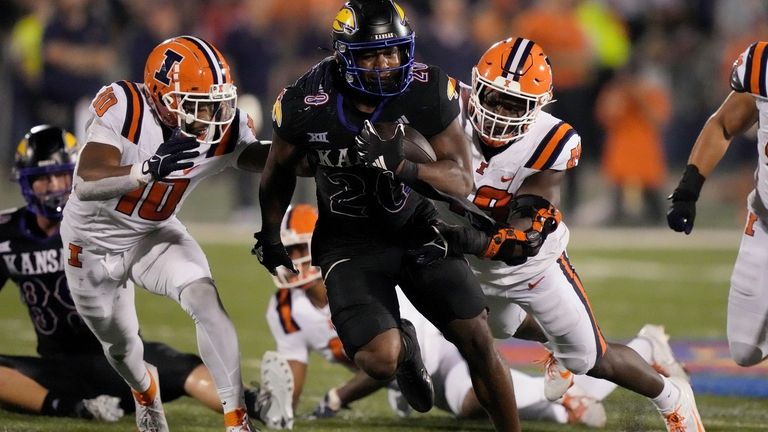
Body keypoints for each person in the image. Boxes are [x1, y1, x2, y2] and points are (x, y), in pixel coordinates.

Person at [254, 1, 520, 431]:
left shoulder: (427, 86)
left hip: (417, 229)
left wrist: (404, 166)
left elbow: (460, 179)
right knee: (379, 360)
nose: (385, 64)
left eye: (393, 52)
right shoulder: (306, 99)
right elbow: (277, 169)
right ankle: (405, 350)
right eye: (371, 54)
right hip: (349, 242)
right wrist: (269, 234)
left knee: (476, 338)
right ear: (344, 54)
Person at [419, 37, 705, 431]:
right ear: (475, 86)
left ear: (538, 106)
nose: (500, 112)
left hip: (531, 265)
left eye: (514, 104)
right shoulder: (443, 103)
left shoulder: (552, 140)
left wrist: (462, 239)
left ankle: (671, 397)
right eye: (495, 97)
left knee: (593, 359)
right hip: (473, 262)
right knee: (498, 328)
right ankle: (553, 343)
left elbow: (525, 235)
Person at [0, 125, 288, 426]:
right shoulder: (7, 232)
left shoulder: (104, 218)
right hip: (59, 368)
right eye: (43, 179)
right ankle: (72, 407)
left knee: (180, 365)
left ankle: (257, 404)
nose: (55, 185)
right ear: (25, 182)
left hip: (121, 357)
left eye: (61, 174)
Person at [59, 36, 274, 432]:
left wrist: (311, 152)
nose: (213, 113)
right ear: (162, 96)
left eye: (217, 100)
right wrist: (147, 170)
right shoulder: (125, 106)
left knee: (204, 297)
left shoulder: (221, 127)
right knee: (121, 347)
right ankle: (145, 390)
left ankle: (237, 420)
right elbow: (86, 181)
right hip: (91, 245)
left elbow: (263, 159)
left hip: (152, 233)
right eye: (199, 103)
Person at [264, 203, 607, 428]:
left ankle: (584, 387)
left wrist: (338, 397)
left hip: (436, 351)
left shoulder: (368, 280)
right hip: (405, 378)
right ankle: (563, 406)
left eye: (298, 249)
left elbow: (397, 358)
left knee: (470, 401)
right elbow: (291, 379)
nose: (293, 260)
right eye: (288, 250)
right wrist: (267, 404)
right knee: (469, 406)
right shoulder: (284, 311)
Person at [667, 41, 768, 368]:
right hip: (765, 224)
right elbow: (723, 125)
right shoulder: (762, 65)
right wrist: (688, 190)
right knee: (744, 349)